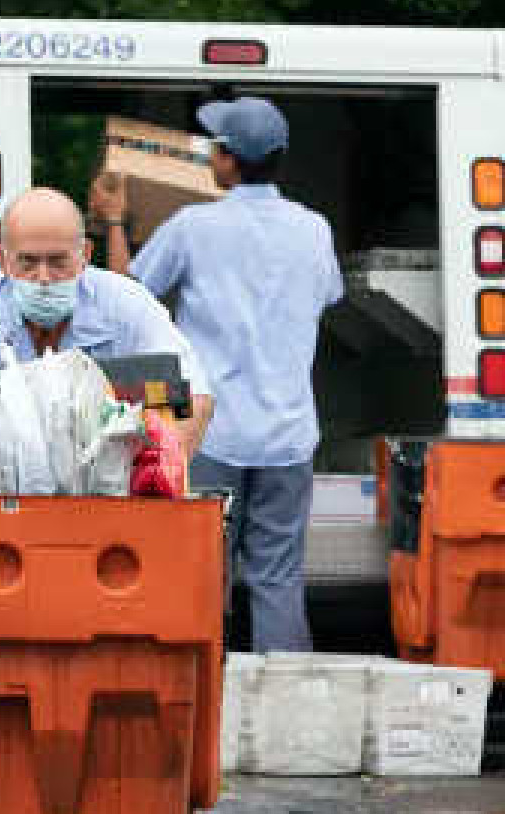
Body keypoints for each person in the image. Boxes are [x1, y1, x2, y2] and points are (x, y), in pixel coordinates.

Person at [90, 97, 343, 652]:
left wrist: (113, 221)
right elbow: (331, 294)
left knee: (202, 570)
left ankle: (199, 692)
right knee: (277, 575)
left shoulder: (194, 226)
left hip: (212, 434)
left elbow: (127, 296)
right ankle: (278, 699)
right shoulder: (315, 229)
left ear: (227, 161)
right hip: (289, 436)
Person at [0, 186, 213, 455]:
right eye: (28, 262)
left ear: (85, 254)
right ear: (3, 261)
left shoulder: (128, 307)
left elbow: (193, 398)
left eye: (58, 261)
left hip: (108, 503)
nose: (43, 278)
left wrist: (157, 469)